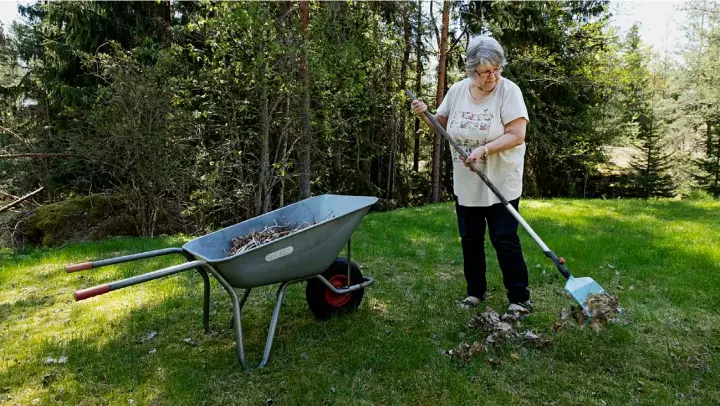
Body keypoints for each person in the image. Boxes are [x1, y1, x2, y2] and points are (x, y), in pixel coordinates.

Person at [410, 35, 532, 313]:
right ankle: (475, 292)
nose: (494, 76)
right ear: (471, 70)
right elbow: (440, 124)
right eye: (486, 71)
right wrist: (424, 114)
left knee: (505, 238)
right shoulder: (457, 91)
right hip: (467, 182)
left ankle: (519, 298)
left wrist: (484, 150)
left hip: (500, 180)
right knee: (471, 239)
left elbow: (517, 134)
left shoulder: (509, 91)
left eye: (498, 69)